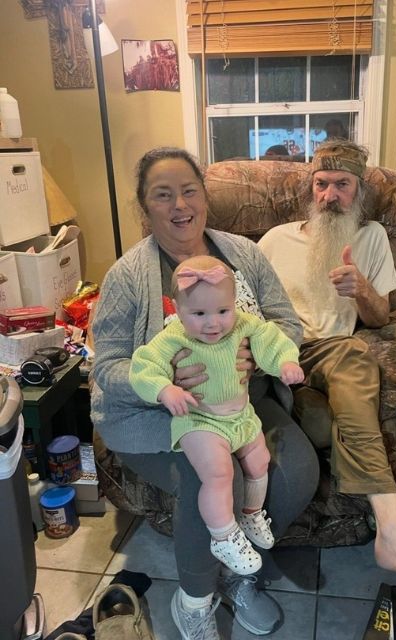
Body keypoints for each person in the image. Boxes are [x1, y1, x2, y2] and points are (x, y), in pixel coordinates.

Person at [90, 147, 319, 640]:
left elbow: (285, 323)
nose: (180, 205)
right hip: (154, 415)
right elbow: (106, 366)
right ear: (144, 207)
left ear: (205, 197)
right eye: (163, 195)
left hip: (241, 401)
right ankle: (194, 600)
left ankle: (236, 573)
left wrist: (259, 357)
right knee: (210, 480)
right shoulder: (127, 277)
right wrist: (163, 384)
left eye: (189, 191)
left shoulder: (243, 254)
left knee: (298, 472)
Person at [258, 138, 396, 595]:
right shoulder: (274, 240)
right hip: (277, 348)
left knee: (355, 354)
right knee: (327, 402)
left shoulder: (371, 237)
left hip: (333, 349)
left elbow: (380, 318)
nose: (330, 195)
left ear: (359, 191)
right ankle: (395, 527)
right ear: (311, 189)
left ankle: (391, 525)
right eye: (322, 184)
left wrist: (362, 289)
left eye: (342, 184)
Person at [129, 255, 304, 576]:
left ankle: (250, 514)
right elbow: (144, 367)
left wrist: (285, 362)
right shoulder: (172, 337)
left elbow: (270, 339)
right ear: (177, 309)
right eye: (198, 314)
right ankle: (223, 536)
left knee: (260, 461)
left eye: (223, 311)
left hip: (240, 416)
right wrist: (164, 390)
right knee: (219, 474)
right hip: (199, 421)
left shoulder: (243, 324)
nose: (213, 323)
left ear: (233, 303)